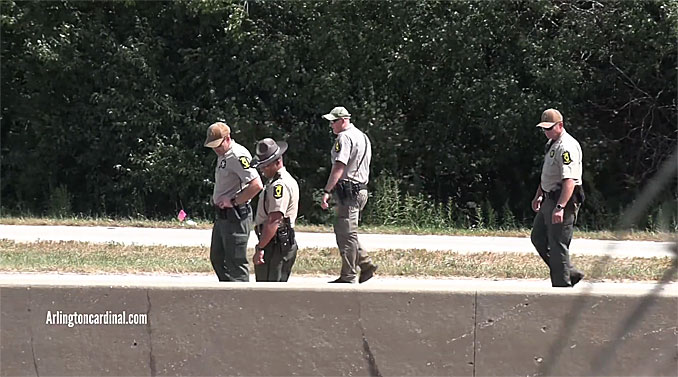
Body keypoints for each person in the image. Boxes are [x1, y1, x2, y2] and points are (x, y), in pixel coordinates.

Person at [319, 106, 378, 284]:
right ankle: (365, 263)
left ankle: (349, 275)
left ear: (344, 120)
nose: (331, 125)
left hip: (349, 190)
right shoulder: (362, 136)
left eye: (333, 121)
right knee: (347, 231)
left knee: (346, 234)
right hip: (360, 190)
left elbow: (339, 166)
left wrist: (327, 190)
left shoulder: (344, 138)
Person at [531, 109, 586, 287]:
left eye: (549, 128)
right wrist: (539, 195)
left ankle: (562, 285)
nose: (546, 132)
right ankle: (569, 272)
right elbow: (548, 175)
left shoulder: (566, 147)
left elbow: (569, 181)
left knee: (557, 245)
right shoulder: (551, 143)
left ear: (560, 125)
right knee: (538, 238)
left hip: (563, 200)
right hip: (549, 198)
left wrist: (560, 207)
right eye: (544, 129)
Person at [204, 122, 263, 282]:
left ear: (227, 138)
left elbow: (256, 185)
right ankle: (228, 294)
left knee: (235, 263)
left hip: (235, 217)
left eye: (218, 145)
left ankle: (241, 300)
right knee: (218, 258)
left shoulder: (237, 155)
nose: (215, 149)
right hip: (222, 216)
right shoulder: (224, 155)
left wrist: (234, 201)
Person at [251, 138, 300, 282]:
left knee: (270, 294)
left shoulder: (279, 186)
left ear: (278, 162)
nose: (261, 169)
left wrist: (260, 248)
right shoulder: (275, 182)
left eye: (265, 165)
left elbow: (274, 221)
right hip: (273, 243)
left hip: (276, 245)